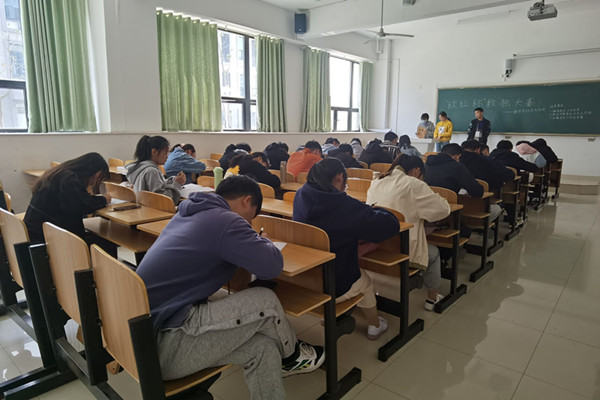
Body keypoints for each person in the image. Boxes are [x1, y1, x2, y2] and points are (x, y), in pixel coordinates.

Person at [136, 176, 325, 399]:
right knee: (266, 299)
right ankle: (292, 356)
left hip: (144, 345)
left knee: (263, 347)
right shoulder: (226, 220)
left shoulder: (188, 212)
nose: (248, 223)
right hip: (169, 342)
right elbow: (272, 266)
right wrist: (263, 240)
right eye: (250, 217)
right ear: (247, 201)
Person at [293, 158, 399, 339]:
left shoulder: (301, 195)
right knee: (364, 281)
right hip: (331, 283)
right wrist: (374, 210)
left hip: (305, 276)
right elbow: (390, 224)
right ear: (339, 177)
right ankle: (375, 325)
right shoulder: (343, 205)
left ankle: (332, 313)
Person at [367, 155, 450, 311]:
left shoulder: (377, 181)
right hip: (402, 250)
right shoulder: (413, 184)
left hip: (378, 245)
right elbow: (443, 210)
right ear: (417, 171)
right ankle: (432, 299)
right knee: (433, 253)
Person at [24, 153, 112, 244]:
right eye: (99, 176)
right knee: (107, 243)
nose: (96, 181)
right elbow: (83, 205)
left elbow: (75, 201)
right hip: (47, 239)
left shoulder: (58, 173)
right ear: (92, 170)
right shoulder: (69, 179)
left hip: (36, 232)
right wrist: (104, 199)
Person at [461, 140, 514, 221]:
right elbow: (503, 178)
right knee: (497, 207)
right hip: (480, 204)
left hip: (457, 206)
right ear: (478, 150)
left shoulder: (455, 161)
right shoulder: (488, 161)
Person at [126, 135, 185, 204]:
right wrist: (177, 184)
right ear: (154, 152)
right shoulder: (151, 171)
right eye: (165, 153)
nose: (167, 156)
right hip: (153, 209)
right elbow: (164, 200)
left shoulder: (141, 168)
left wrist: (172, 180)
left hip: (144, 207)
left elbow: (157, 186)